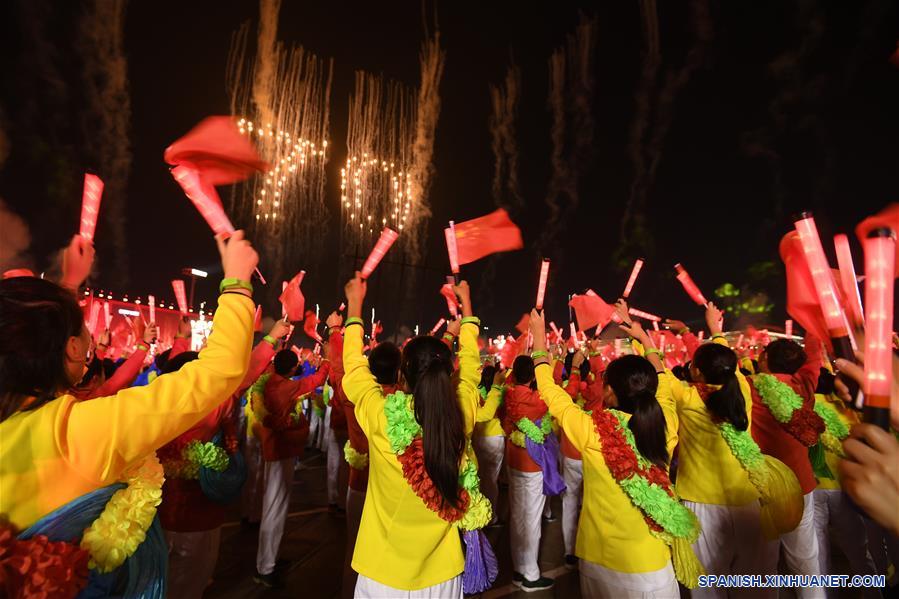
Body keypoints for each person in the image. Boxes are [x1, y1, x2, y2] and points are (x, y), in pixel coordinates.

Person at [0, 231, 258, 596]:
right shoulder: (81, 432)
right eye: (83, 330)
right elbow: (218, 371)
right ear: (73, 348)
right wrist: (236, 283)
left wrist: (69, 285)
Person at [528, 309, 701, 598]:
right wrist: (644, 337)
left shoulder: (591, 429)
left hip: (601, 563)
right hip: (653, 565)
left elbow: (551, 391)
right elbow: (660, 377)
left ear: (609, 392)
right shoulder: (667, 422)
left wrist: (539, 342)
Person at [341, 272, 488, 598]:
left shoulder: (381, 416)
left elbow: (353, 367)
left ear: (401, 374)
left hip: (382, 574)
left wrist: (355, 306)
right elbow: (471, 369)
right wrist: (467, 308)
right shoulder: (459, 414)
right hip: (442, 577)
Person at [645, 301, 782, 599]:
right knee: (753, 585)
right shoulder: (742, 387)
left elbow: (659, 371)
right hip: (747, 499)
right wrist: (715, 328)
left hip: (700, 503)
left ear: (694, 370)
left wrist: (644, 340)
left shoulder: (685, 396)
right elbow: (722, 358)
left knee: (708, 587)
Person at [157, 318, 289, 599]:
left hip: (159, 516)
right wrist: (270, 338)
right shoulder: (209, 408)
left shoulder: (155, 406)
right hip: (197, 520)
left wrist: (182, 339)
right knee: (188, 583)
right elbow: (247, 374)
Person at [750, 336, 826, 597]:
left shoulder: (750, 387)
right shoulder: (803, 386)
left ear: (765, 360)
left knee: (764, 564)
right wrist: (814, 325)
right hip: (800, 485)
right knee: (805, 559)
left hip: (763, 488)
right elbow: (815, 358)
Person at [254, 348, 330, 587]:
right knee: (275, 508)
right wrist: (328, 357)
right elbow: (316, 380)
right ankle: (265, 567)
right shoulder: (286, 387)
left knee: (274, 505)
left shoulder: (269, 382)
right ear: (290, 368)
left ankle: (269, 559)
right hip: (280, 451)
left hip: (272, 449)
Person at [502, 352, 564, 592]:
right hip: (532, 465)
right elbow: (554, 388)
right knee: (531, 520)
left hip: (514, 462)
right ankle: (530, 574)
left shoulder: (507, 396)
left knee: (517, 516)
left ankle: (519, 569)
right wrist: (551, 363)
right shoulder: (537, 400)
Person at [473, 358, 505, 527]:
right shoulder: (500, 391)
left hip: (478, 438)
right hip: (495, 438)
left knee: (480, 477)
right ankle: (491, 516)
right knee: (491, 479)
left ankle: (480, 513)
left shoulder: (474, 392)